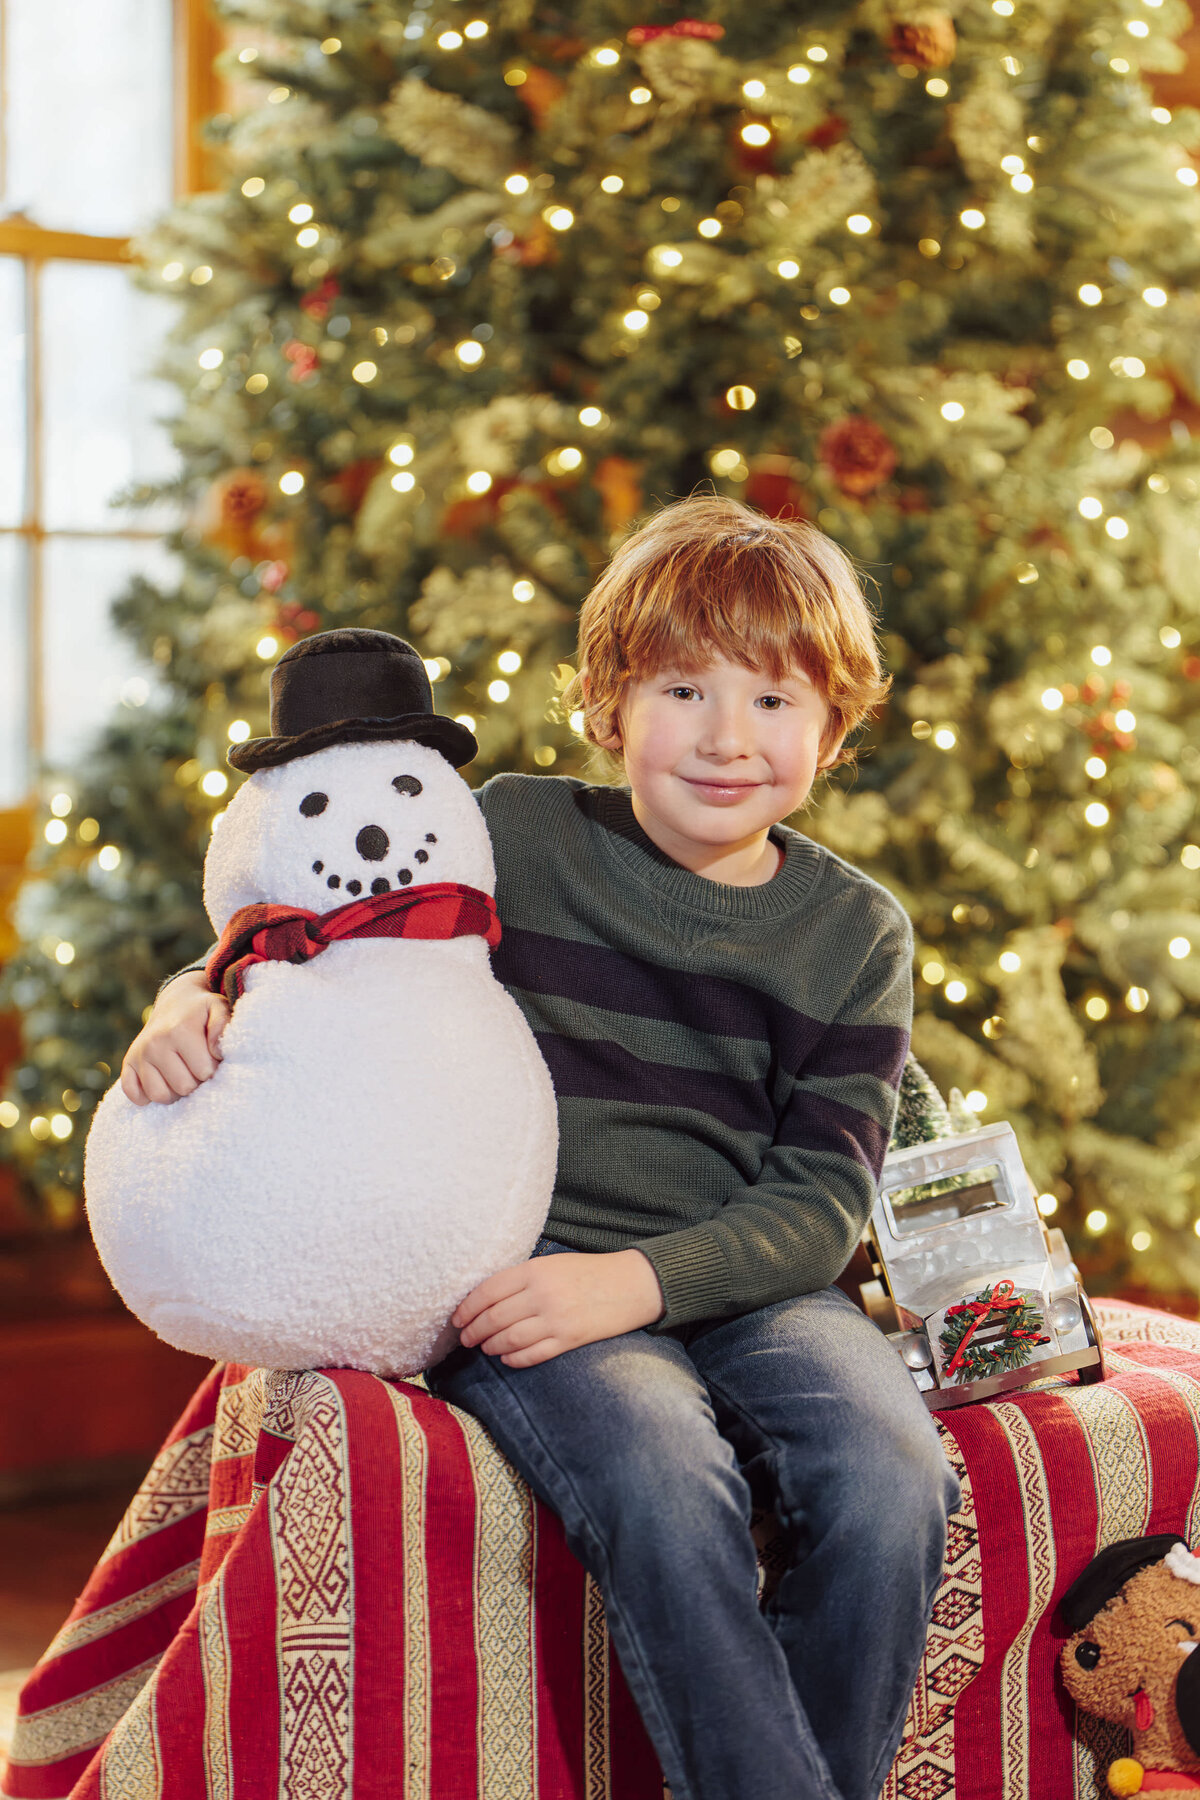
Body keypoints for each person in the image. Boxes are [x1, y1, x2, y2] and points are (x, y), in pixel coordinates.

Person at [122, 492, 960, 1800]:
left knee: (894, 1468)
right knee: (663, 1466)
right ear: (613, 701)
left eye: (778, 702)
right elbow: (309, 921)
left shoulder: (858, 933)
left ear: (834, 730)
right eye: (685, 689)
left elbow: (820, 1200)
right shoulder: (511, 836)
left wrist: (643, 1281)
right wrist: (193, 997)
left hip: (752, 1284)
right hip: (525, 1274)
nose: (729, 737)